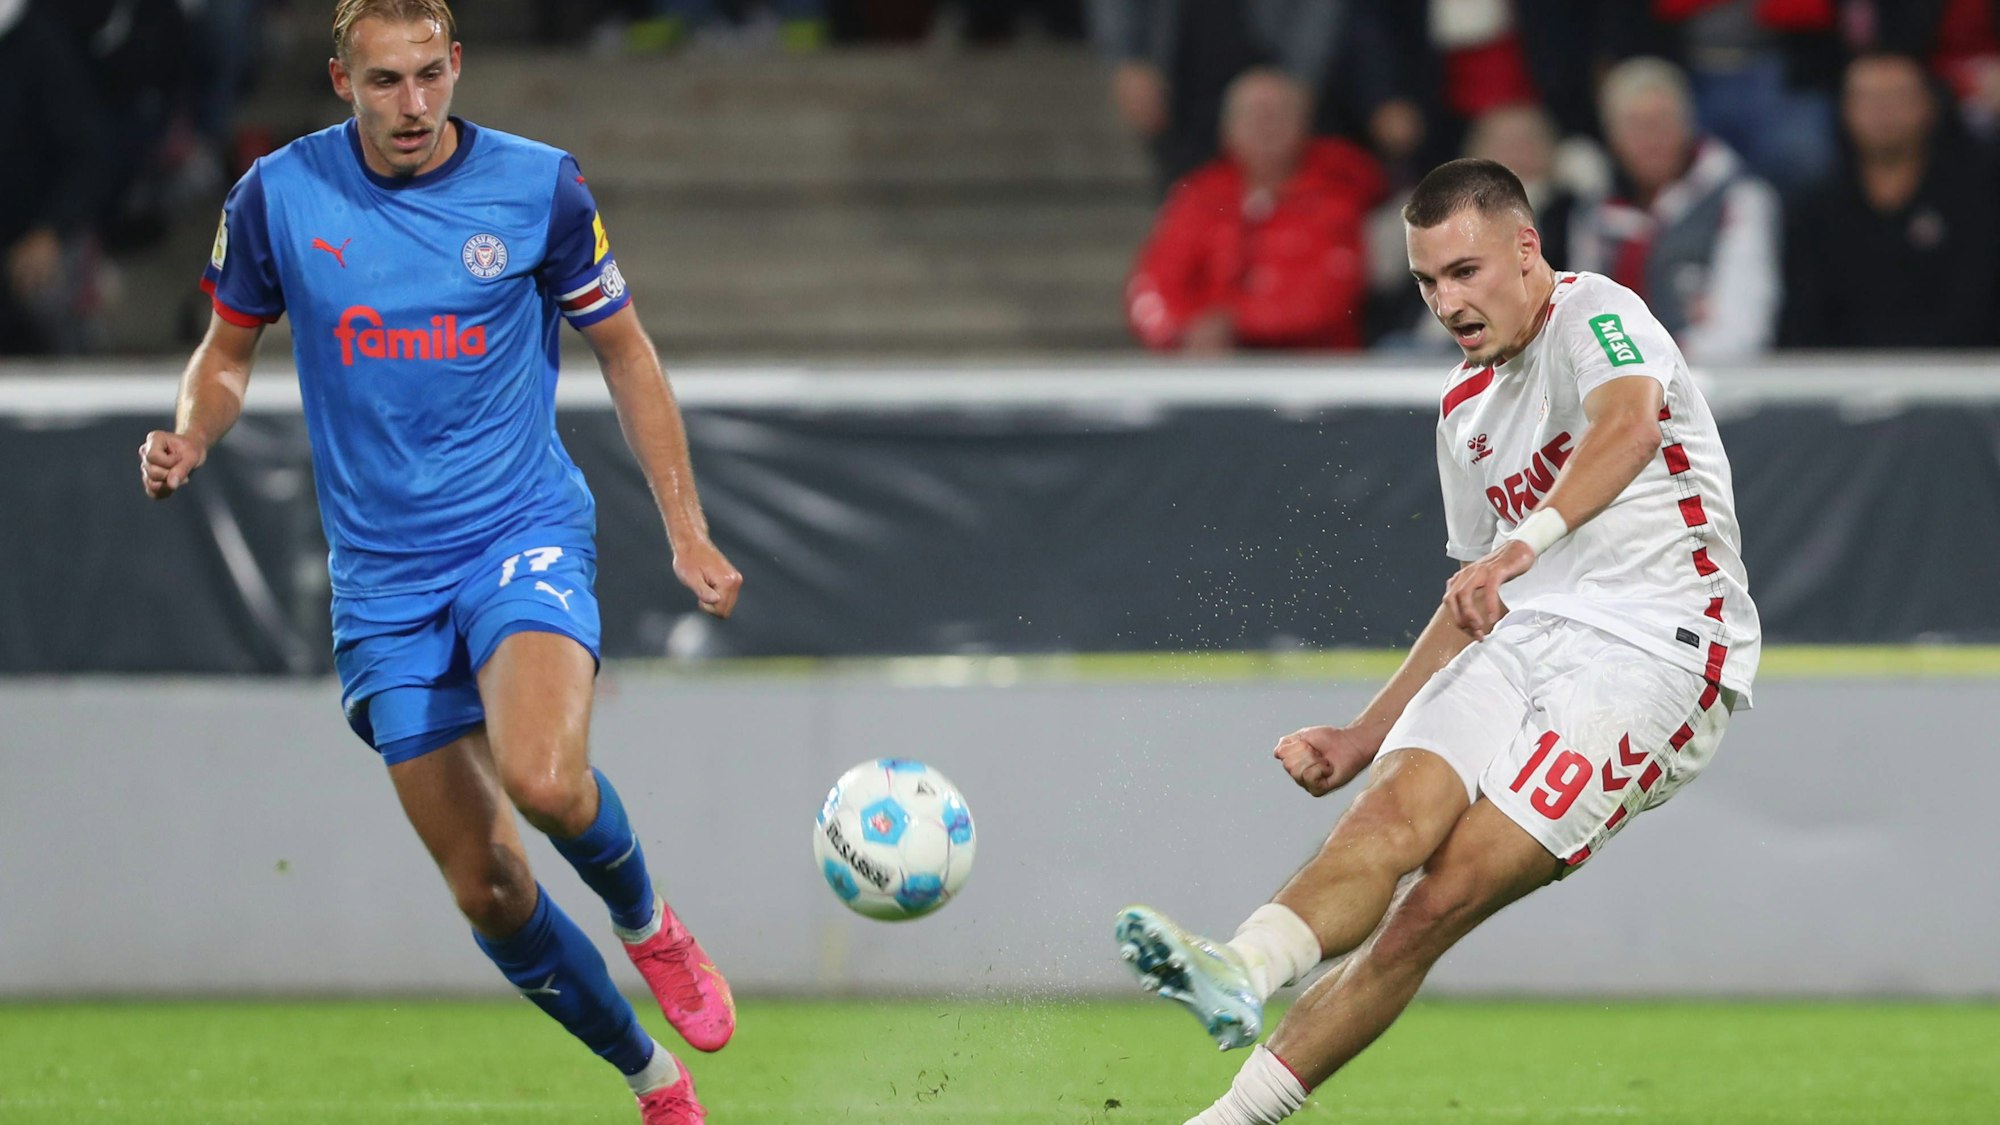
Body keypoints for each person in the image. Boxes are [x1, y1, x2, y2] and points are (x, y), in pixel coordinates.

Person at [136, 2, 742, 1121]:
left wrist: (684, 526)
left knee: (546, 779)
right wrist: (194, 431)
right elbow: (225, 354)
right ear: (339, 81)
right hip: (382, 584)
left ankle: (649, 922)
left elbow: (625, 349)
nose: (411, 106)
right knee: (493, 886)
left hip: (518, 533)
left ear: (456, 65)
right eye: (383, 83)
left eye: (427, 77)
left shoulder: (537, 188)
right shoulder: (279, 195)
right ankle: (654, 1083)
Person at [1114, 157, 1761, 1124]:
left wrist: (1521, 547)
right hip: (1527, 635)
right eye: (1426, 282)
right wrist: (1363, 732)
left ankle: (1240, 1115)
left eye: (1465, 272)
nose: (1447, 302)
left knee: (1434, 901)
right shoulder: (1463, 409)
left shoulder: (1599, 314)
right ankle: (1241, 968)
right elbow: (1471, 593)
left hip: (1659, 653)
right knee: (1384, 823)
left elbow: (1626, 431)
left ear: (1526, 248)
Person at [1126, 67, 1384, 353]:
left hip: (1309, 371)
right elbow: (1152, 284)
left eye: (1277, 114)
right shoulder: (1198, 196)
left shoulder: (1338, 194)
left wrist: (1236, 326)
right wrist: (1180, 329)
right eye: (1253, 115)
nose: (1265, 126)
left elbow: (1329, 297)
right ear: (1227, 128)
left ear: (1304, 125)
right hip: (1209, 366)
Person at [1564, 56, 1781, 364]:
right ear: (1612, 138)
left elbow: (1742, 331)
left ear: (1688, 125)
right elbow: (1582, 322)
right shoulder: (1594, 212)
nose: (1650, 138)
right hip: (1617, 390)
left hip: (1712, 387)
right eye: (1635, 125)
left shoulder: (1739, 199)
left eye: (1662, 121)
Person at [1782, 51, 1999, 347]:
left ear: (1930, 106)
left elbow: (1977, 305)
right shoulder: (1814, 210)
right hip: (1838, 382)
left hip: (1959, 378)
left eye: (1897, 97)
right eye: (1867, 98)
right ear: (1844, 109)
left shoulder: (1977, 200)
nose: (1882, 111)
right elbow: (1803, 319)